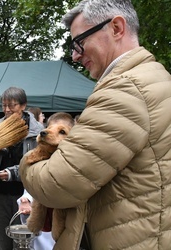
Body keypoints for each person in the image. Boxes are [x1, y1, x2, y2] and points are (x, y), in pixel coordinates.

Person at [20, 1, 171, 249]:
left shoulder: (125, 90)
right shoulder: (156, 78)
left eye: (79, 42)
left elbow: (57, 184)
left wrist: (28, 162)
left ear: (116, 28)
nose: (76, 55)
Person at [0, 87, 43, 250]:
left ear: (23, 106)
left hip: (25, 195)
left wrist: (12, 173)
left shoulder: (38, 132)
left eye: (12, 105)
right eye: (3, 105)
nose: (7, 110)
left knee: (23, 242)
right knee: (1, 242)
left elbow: (39, 167)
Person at [18, 112, 75, 250]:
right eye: (49, 128)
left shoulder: (74, 160)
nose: (46, 132)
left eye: (61, 132)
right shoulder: (37, 156)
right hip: (42, 215)